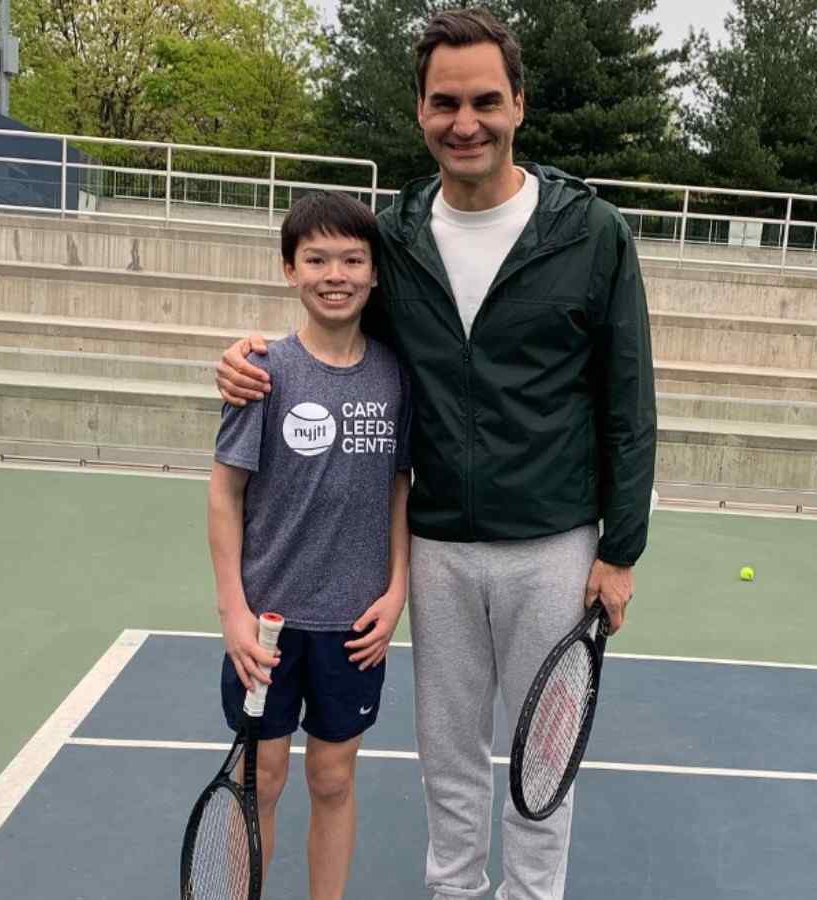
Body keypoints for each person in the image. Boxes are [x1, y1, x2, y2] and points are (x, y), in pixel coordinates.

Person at [214, 9, 656, 899]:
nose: (466, 122)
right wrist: (245, 354)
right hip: (439, 552)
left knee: (544, 765)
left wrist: (621, 549)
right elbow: (329, 325)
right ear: (419, 111)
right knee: (447, 765)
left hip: (554, 548)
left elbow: (629, 400)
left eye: (486, 100)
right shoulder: (394, 239)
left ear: (519, 105)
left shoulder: (591, 232)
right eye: (445, 102)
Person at [207, 190, 412, 900]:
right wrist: (234, 613)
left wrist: (397, 592)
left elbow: (398, 490)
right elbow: (224, 493)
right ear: (289, 268)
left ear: (375, 272)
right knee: (259, 780)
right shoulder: (263, 371)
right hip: (267, 628)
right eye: (317, 258)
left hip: (354, 628)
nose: (336, 273)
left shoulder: (395, 374)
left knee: (333, 779)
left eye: (353, 259)